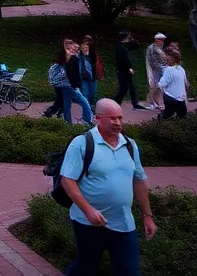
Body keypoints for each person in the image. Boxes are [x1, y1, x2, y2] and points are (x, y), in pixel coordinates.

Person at [59, 99, 157, 275]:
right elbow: (67, 180)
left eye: (120, 118)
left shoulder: (129, 145)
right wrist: (89, 211)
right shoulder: (82, 143)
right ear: (98, 118)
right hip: (88, 224)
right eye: (112, 118)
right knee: (86, 268)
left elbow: (139, 180)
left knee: (129, 271)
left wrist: (147, 216)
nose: (118, 123)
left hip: (123, 222)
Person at [111, 30, 148, 111]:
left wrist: (133, 40)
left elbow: (136, 46)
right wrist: (129, 68)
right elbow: (124, 59)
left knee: (130, 87)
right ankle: (115, 102)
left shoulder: (124, 45)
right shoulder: (120, 47)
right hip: (123, 70)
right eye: (128, 36)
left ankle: (133, 103)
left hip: (124, 70)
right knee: (124, 89)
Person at [64, 41, 96, 125]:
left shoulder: (88, 55)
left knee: (68, 103)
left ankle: (68, 122)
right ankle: (88, 118)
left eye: (86, 47)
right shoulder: (74, 57)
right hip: (74, 83)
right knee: (84, 99)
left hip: (85, 79)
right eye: (82, 47)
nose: (84, 49)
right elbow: (71, 71)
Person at [157, 49, 188, 119]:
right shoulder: (180, 69)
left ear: (173, 59)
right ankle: (163, 116)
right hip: (177, 97)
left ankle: (163, 117)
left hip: (172, 97)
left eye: (168, 58)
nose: (166, 59)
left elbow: (162, 84)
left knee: (169, 114)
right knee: (181, 115)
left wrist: (156, 88)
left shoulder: (170, 69)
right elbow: (186, 83)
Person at [145, 33, 168, 110]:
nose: (162, 42)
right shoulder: (152, 48)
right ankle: (151, 102)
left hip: (161, 69)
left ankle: (158, 102)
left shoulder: (160, 47)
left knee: (160, 86)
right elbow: (153, 61)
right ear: (157, 40)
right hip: (155, 70)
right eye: (161, 40)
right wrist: (163, 67)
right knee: (154, 86)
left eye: (163, 40)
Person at [80, 36, 103, 104]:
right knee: (85, 93)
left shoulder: (93, 53)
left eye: (88, 43)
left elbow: (97, 64)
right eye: (84, 42)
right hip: (83, 76)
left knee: (92, 92)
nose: (86, 45)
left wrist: (99, 74)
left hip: (92, 75)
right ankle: (87, 109)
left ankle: (90, 106)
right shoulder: (78, 55)